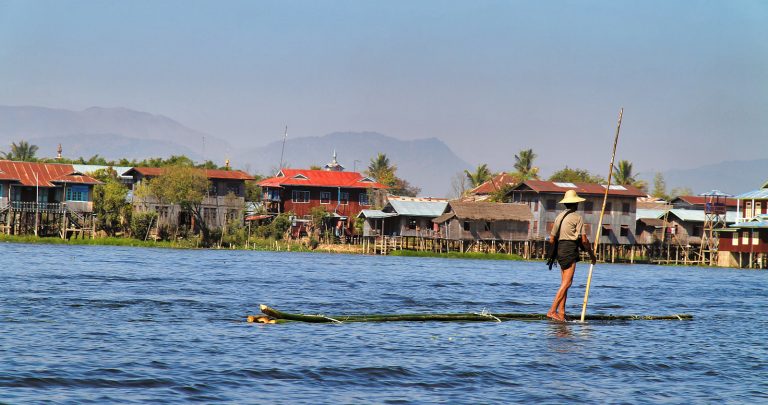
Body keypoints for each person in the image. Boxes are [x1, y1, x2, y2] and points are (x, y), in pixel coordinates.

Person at [547, 190, 597, 322]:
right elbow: (585, 240)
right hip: (569, 250)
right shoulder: (577, 217)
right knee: (567, 283)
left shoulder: (559, 217)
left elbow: (551, 239)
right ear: (576, 203)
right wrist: (592, 256)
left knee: (564, 283)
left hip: (560, 251)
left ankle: (562, 312)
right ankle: (552, 311)